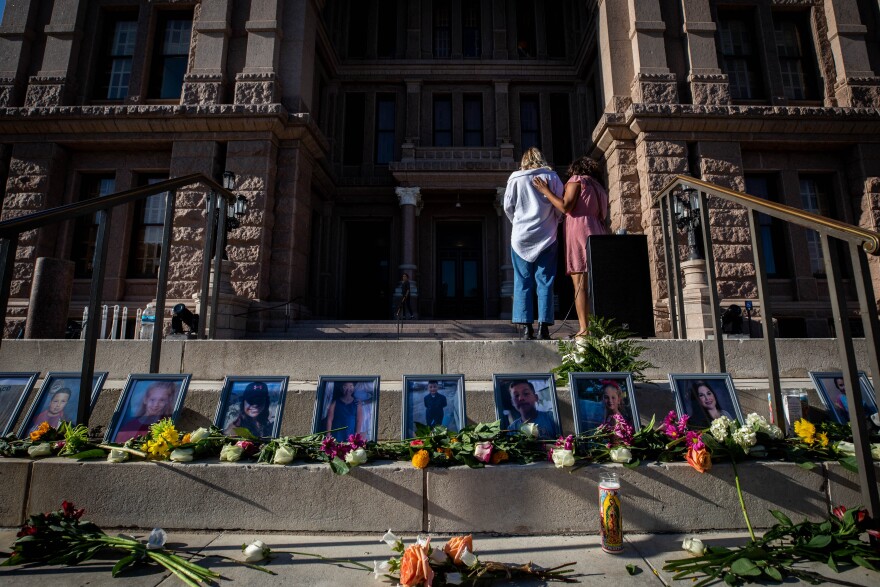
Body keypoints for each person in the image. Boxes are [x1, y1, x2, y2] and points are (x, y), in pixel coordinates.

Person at [533, 155, 609, 338]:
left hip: (580, 231)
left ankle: (584, 329)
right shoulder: (599, 187)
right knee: (594, 284)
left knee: (580, 284)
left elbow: (566, 206)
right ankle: (597, 327)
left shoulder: (577, 180)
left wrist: (546, 192)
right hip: (598, 231)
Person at [503, 147, 563, 340]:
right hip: (547, 236)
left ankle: (526, 328)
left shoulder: (515, 178)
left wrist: (518, 222)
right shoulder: (552, 177)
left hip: (521, 238)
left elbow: (508, 207)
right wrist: (554, 221)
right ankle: (543, 327)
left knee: (522, 281)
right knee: (545, 281)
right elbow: (560, 206)